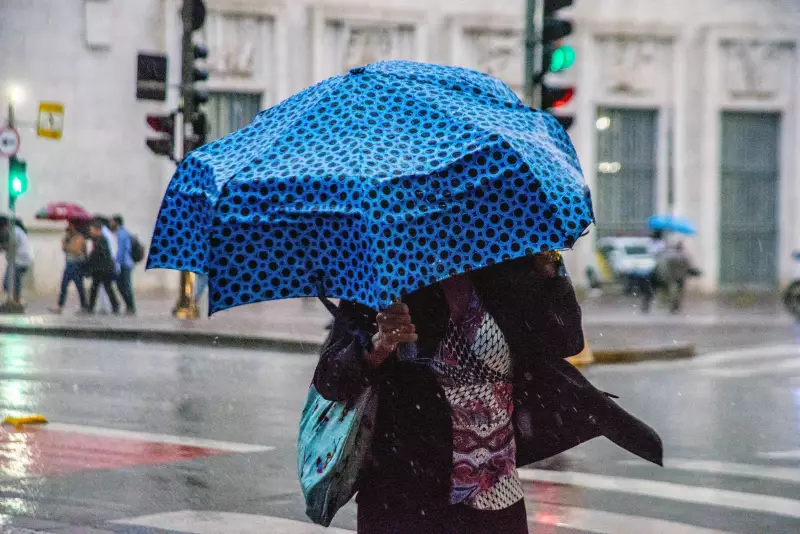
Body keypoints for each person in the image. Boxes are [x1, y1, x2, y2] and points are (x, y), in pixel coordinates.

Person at [313, 252, 662, 534]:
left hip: (494, 486)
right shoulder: (384, 275)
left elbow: (565, 341)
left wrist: (548, 270)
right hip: (402, 487)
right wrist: (378, 344)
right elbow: (331, 379)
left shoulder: (505, 268)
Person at [49, 221, 88, 313]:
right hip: (69, 263)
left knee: (79, 286)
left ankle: (84, 305)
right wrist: (65, 244)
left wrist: (66, 245)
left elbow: (76, 250)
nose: (68, 228)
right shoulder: (68, 237)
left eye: (70, 226)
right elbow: (66, 250)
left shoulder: (79, 237)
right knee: (65, 285)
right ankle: (60, 306)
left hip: (77, 264)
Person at [85, 218, 119, 314]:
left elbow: (99, 255)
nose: (91, 232)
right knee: (95, 289)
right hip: (99, 270)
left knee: (106, 288)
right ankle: (91, 307)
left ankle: (115, 305)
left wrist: (90, 264)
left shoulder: (102, 240)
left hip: (104, 270)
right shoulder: (97, 240)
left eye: (92, 230)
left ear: (97, 230)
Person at [0, 218, 34, 304]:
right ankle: (15, 301)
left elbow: (11, 246)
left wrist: (3, 247)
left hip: (19, 260)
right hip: (23, 260)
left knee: (9, 283)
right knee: (15, 282)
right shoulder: (16, 230)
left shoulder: (14, 232)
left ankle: (16, 301)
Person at [110, 214, 136, 314]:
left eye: (112, 221)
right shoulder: (123, 232)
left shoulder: (121, 233)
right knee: (123, 286)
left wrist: (116, 262)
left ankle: (131, 307)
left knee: (124, 286)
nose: (110, 223)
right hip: (126, 263)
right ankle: (129, 306)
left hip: (124, 264)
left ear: (116, 222)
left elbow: (121, 250)